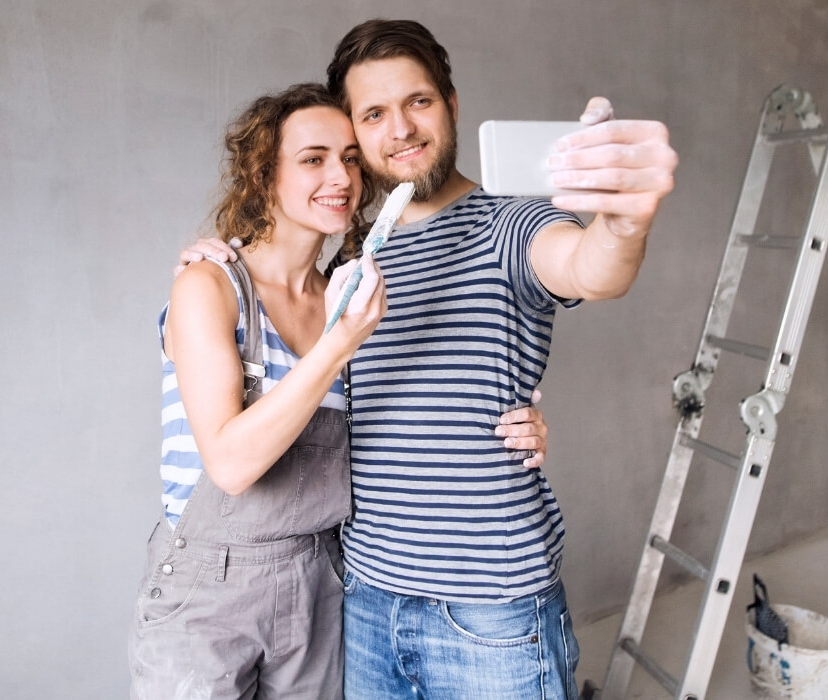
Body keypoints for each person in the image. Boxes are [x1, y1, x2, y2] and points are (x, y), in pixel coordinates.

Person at [178, 19, 678, 700]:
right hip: (364, 600)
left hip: (490, 615)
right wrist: (216, 256)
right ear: (355, 138)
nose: (402, 129)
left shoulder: (510, 224)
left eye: (419, 102)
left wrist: (623, 223)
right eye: (375, 114)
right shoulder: (352, 265)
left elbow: (590, 268)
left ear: (451, 105)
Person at [129, 82, 548, 699]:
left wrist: (522, 417)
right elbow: (231, 463)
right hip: (207, 591)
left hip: (322, 581)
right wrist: (337, 346)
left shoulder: (343, 297)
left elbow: (414, 403)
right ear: (262, 173)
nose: (341, 176)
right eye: (313, 158)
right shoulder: (210, 287)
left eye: (352, 158)